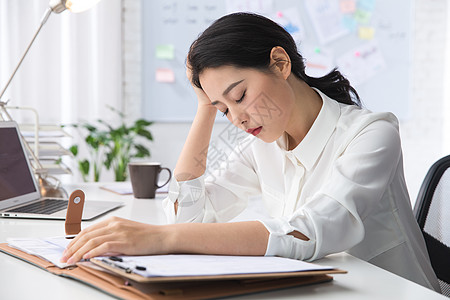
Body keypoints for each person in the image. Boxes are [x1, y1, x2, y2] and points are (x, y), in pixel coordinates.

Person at [61, 12, 440, 292]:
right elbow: (193, 220)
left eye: (239, 95)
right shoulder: (263, 145)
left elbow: (313, 231)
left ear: (279, 63)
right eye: (225, 109)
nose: (238, 118)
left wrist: (162, 239)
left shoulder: (372, 133)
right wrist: (204, 109)